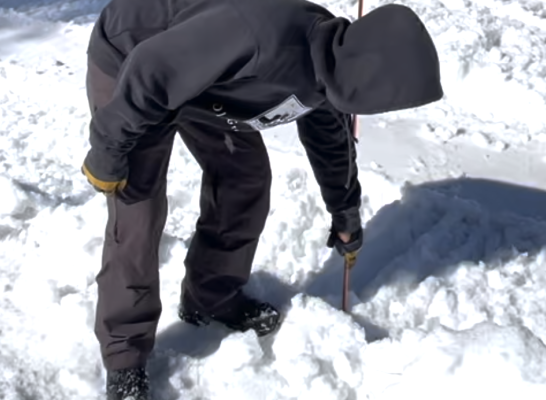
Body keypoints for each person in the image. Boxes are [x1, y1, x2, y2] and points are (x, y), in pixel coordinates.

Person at [82, 0, 443, 397]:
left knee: (245, 178)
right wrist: (108, 152)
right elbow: (151, 68)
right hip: (133, 59)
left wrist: (345, 211)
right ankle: (124, 358)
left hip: (208, 82)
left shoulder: (332, 71)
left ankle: (210, 297)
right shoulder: (261, 38)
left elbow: (332, 142)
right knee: (139, 208)